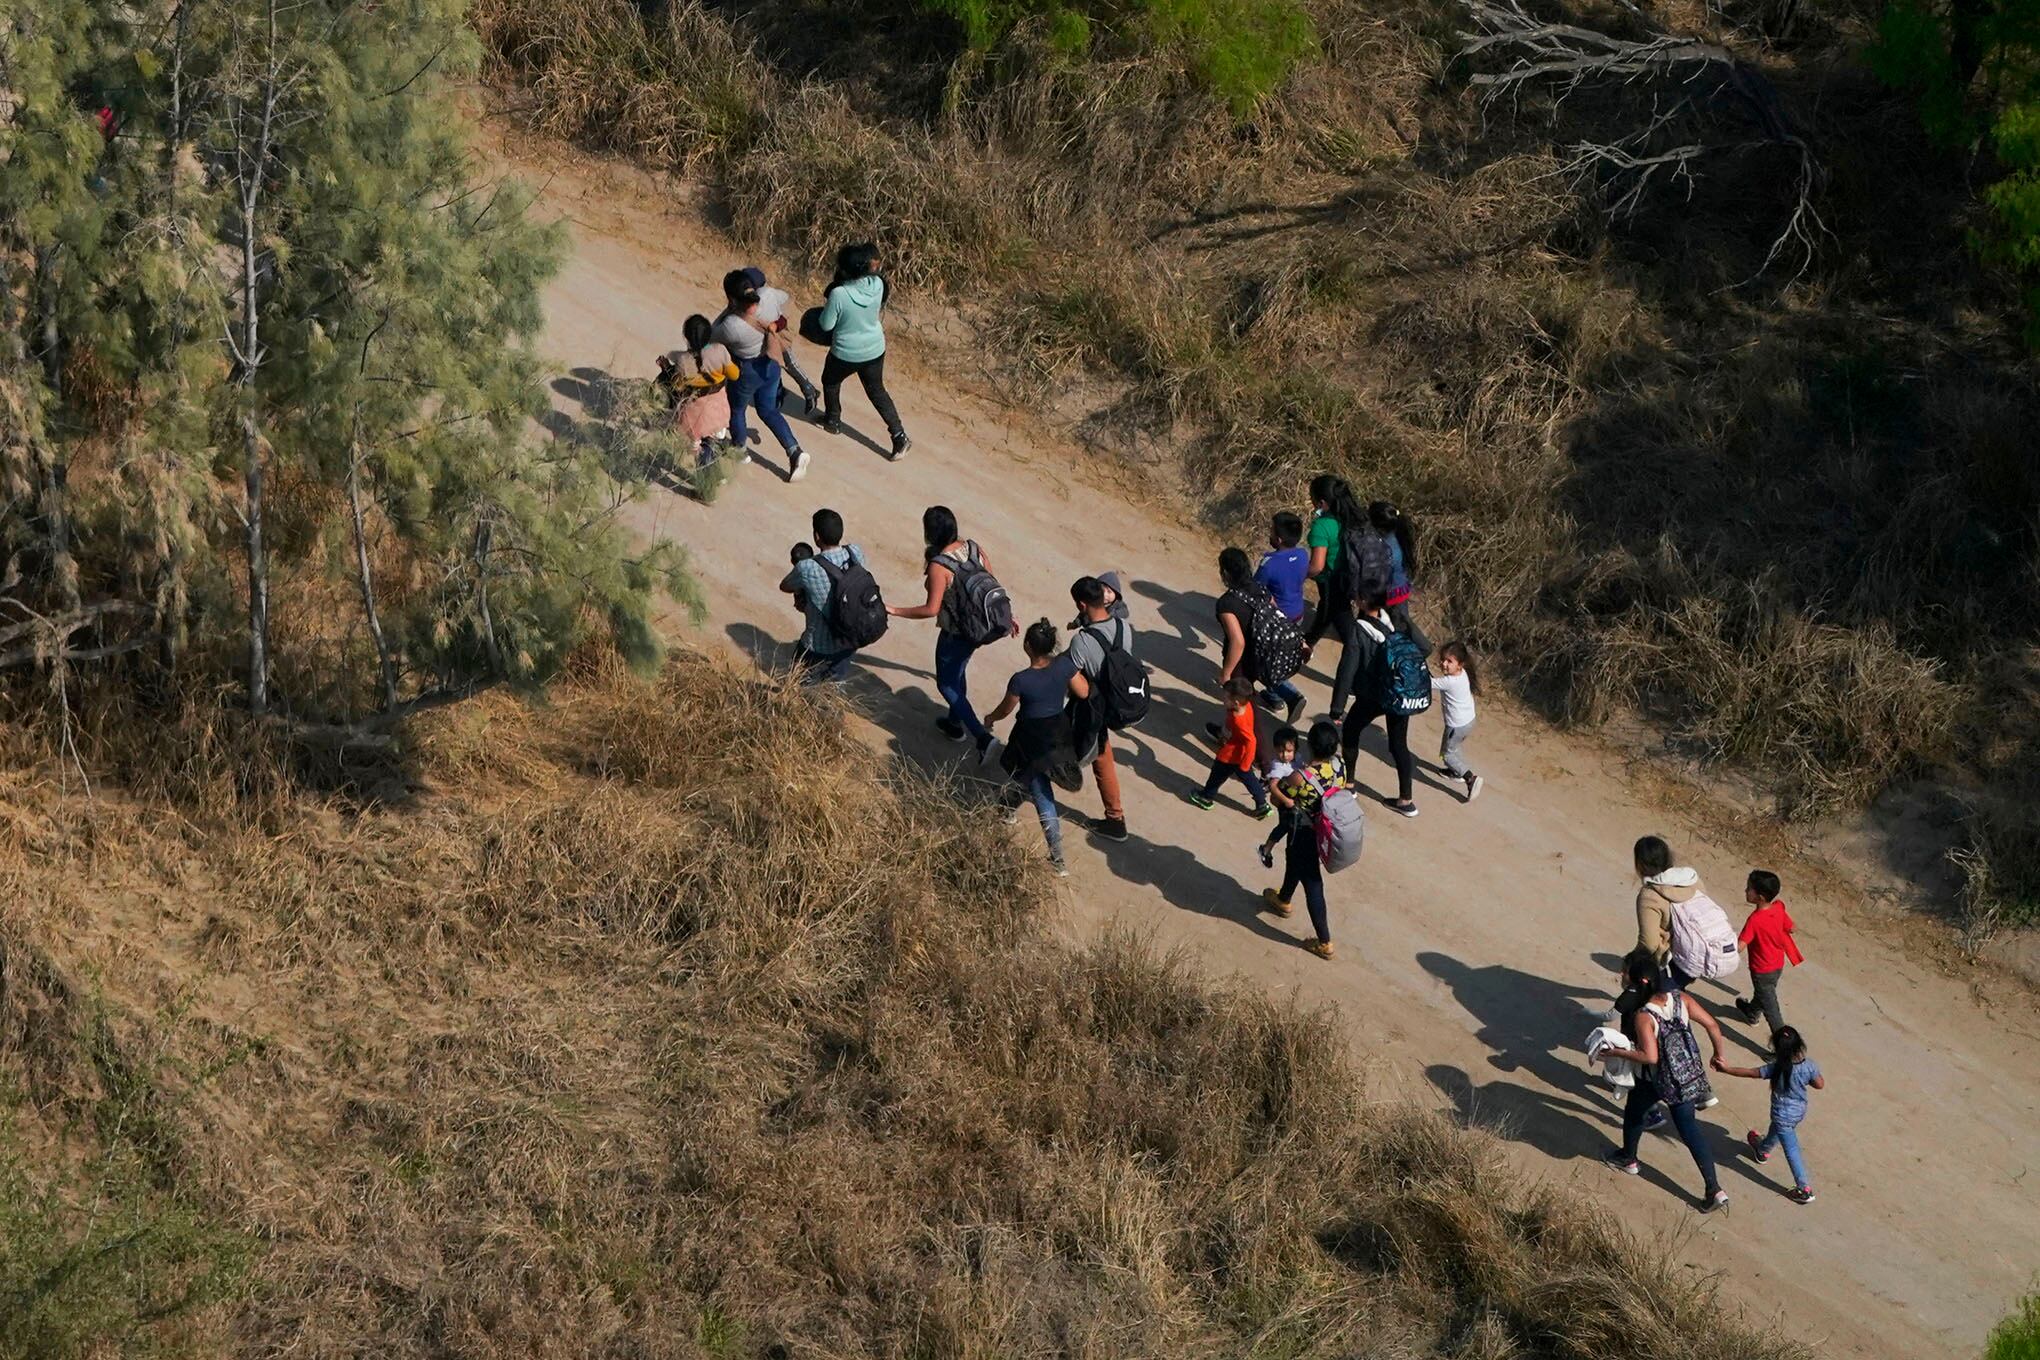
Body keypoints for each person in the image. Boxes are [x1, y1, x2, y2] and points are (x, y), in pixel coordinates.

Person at [1591, 954, 1732, 1212]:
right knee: (1691, 1132)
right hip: (1684, 1079)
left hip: (1655, 1080)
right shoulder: (1682, 999)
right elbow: (1712, 1024)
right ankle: (1714, 1189)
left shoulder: (1644, 1016)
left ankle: (1629, 1158)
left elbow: (1650, 1056)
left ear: (1638, 983)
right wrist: (1718, 1054)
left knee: (1634, 1112)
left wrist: (1616, 1052)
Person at [887, 505, 1009, 761]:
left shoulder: (939, 566)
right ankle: (955, 724)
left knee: (946, 683)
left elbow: (931, 609)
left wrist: (896, 610)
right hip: (979, 629)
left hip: (956, 633)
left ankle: (982, 738)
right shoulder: (974, 548)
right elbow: (991, 583)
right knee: (959, 671)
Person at [985, 619, 1089, 877]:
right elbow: (1084, 692)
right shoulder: (1065, 665)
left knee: (1042, 794)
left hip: (1030, 738)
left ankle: (1057, 858)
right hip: (1058, 733)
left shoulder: (1021, 680)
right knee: (1027, 777)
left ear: (1027, 646)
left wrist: (990, 719)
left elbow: (1006, 709)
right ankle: (1007, 809)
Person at [816, 242, 910, 459]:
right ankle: (899, 436)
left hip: (845, 352)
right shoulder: (877, 283)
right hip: (875, 348)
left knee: (830, 381)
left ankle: (833, 420)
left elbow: (826, 325)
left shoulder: (839, 294)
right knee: (877, 391)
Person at [1262, 720, 1344, 959]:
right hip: (1325, 830)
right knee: (1294, 860)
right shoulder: (1340, 766)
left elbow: (1278, 800)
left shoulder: (1301, 777)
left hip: (1303, 832)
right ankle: (1283, 899)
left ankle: (1324, 941)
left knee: (1313, 884)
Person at [1715, 1025, 1823, 1205]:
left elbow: (1751, 1073)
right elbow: (1820, 1084)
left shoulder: (1776, 1068)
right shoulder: (1809, 1066)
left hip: (1782, 1114)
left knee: (1791, 1148)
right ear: (1799, 1044)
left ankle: (1804, 1189)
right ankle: (1762, 1150)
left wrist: (1726, 1069)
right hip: (1799, 1112)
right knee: (1778, 1130)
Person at [713, 283, 809, 480]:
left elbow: (712, 333)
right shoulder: (768, 298)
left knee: (737, 409)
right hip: (770, 365)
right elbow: (784, 297)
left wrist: (727, 310)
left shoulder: (733, 325)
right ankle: (794, 451)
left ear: (732, 300)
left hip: (747, 370)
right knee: (769, 410)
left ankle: (739, 448)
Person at [1065, 576, 1132, 843]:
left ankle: (1014, 794)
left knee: (1045, 742)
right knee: (1103, 756)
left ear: (1082, 605)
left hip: (1090, 707)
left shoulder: (1082, 642)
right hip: (1115, 702)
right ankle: (1115, 819)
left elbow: (1079, 688)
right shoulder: (1124, 627)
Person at [1341, 591, 1418, 818]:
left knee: (1350, 730)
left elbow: (1347, 669)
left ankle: (1349, 785)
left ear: (1364, 603)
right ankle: (1406, 800)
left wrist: (1337, 707)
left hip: (1373, 695)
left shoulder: (1359, 628)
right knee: (1398, 745)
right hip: (1399, 693)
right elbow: (1425, 647)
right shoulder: (1397, 619)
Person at [1302, 475, 1371, 719]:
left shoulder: (1322, 526)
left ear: (1321, 502)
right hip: (1354, 580)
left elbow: (1317, 566)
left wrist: (1299, 573)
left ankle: (1352, 682)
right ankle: (1307, 642)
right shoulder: (1355, 518)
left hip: (1333, 583)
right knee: (1326, 611)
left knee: (1349, 635)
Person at [1214, 547, 1305, 725]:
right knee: (1257, 684)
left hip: (1243, 661)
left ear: (1225, 572)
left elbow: (1238, 642)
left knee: (1242, 705)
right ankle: (1227, 732)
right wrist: (1302, 643)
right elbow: (1277, 615)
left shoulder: (1226, 603)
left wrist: (1226, 672)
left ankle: (1253, 746)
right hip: (1262, 651)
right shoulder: (1260, 588)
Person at [779, 509, 868, 684]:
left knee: (799, 683)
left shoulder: (807, 568)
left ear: (816, 536)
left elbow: (785, 586)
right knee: (833, 687)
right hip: (849, 639)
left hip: (818, 644)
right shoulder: (855, 552)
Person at [735, 265, 822, 409]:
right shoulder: (754, 299)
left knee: (789, 362)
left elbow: (783, 318)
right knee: (771, 366)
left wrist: (775, 325)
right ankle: (780, 394)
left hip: (777, 338)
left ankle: (808, 389)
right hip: (763, 340)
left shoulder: (767, 298)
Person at [658, 314, 740, 466]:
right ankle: (709, 460)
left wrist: (667, 368)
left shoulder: (682, 360)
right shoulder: (720, 351)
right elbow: (734, 375)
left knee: (697, 437)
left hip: (694, 413)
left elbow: (677, 387)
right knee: (712, 437)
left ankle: (699, 451)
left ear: (686, 337)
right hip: (717, 408)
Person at [1734, 870, 1802, 1030]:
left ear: (1760, 897)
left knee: (1772, 1012)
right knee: (1765, 994)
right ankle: (1752, 1012)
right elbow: (1792, 928)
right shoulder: (1779, 908)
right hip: (1777, 965)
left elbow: (1739, 947)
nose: (1746, 891)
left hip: (1761, 970)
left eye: (1749, 888)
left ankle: (1782, 1046)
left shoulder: (1754, 920)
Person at [1191, 678, 1271, 815]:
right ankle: (1262, 804)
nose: (1223, 699)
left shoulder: (1237, 719)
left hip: (1231, 754)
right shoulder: (1248, 706)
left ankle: (1206, 797)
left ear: (1236, 703)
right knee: (1249, 779)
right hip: (1241, 754)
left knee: (1217, 775)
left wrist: (1246, 764)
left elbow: (1251, 741)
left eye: (1226, 698)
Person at [1633, 836, 1704, 976]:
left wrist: (1632, 961)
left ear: (1640, 864)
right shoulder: (1692, 879)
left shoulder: (1650, 895)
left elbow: (1649, 943)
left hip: (1672, 961)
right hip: (1701, 953)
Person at [1370, 500, 1431, 656]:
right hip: (1400, 589)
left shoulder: (1386, 549)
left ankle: (1421, 650)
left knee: (1399, 626)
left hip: (1390, 595)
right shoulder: (1396, 537)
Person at [1432, 640, 1484, 803]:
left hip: (1456, 725)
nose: (1444, 664)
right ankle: (1456, 772)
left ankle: (1470, 778)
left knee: (1446, 754)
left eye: (1449, 661)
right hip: (1468, 722)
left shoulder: (1449, 682)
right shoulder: (1463, 675)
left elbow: (1427, 683)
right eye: (1443, 660)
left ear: (1460, 664)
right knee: (1454, 746)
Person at [1257, 725, 1301, 869]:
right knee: (1284, 826)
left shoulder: (1298, 759)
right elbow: (1273, 786)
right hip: (1285, 801)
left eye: (1289, 751)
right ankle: (1266, 848)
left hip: (1295, 799)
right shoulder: (1278, 766)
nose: (1285, 755)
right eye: (1281, 751)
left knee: (1289, 827)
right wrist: (1286, 801)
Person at [1256, 512, 1311, 623]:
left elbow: (1255, 588)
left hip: (1278, 619)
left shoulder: (1269, 564)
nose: (1270, 534)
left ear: (1279, 540)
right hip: (1298, 615)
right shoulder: (1303, 555)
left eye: (1272, 531)